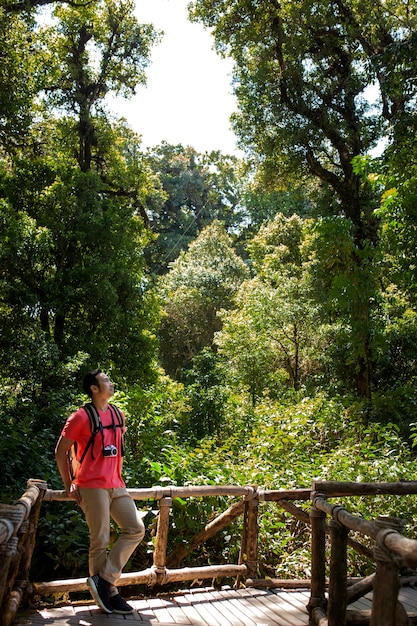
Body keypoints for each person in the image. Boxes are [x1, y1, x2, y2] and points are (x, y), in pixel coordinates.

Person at [55, 368, 145, 615]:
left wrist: (119, 478)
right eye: (105, 380)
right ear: (94, 389)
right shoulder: (80, 417)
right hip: (91, 485)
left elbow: (118, 449)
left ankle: (104, 582)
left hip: (116, 484)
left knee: (136, 528)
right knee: (100, 540)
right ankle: (109, 595)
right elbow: (61, 451)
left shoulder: (118, 414)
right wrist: (69, 482)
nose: (111, 383)